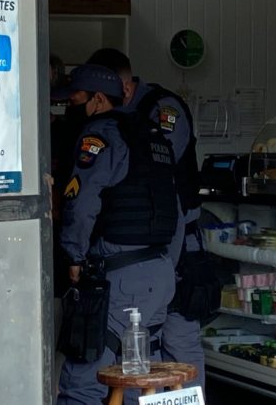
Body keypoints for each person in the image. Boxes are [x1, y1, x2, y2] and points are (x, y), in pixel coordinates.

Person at [87, 48, 213, 392]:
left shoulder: (163, 110)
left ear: (124, 88)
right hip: (145, 250)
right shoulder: (119, 122)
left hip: (178, 243)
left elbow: (162, 182)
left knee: (179, 341)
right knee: (140, 349)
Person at [55, 64, 179, 405]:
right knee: (140, 380)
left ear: (96, 99)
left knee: (85, 379)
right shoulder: (153, 136)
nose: (69, 107)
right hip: (158, 271)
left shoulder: (100, 135)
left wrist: (73, 256)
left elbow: (81, 204)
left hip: (119, 276)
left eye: (74, 99)